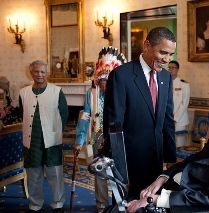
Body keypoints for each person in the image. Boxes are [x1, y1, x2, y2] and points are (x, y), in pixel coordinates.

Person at [103, 27, 177, 198]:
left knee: (150, 204)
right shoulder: (121, 76)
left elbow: (167, 120)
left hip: (156, 159)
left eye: (170, 54)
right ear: (147, 45)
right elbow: (114, 125)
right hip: (130, 162)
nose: (167, 59)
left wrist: (170, 157)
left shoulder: (166, 77)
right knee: (127, 206)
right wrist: (119, 168)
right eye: (163, 53)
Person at [73, 47, 125, 213]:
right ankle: (101, 205)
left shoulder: (122, 93)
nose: (105, 83)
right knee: (100, 172)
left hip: (118, 138)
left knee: (119, 173)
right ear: (97, 79)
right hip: (98, 138)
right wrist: (79, 140)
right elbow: (85, 117)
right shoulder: (91, 94)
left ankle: (119, 203)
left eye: (108, 79)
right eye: (102, 79)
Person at [19, 60, 68, 213]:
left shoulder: (57, 91)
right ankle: (35, 205)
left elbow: (64, 115)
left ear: (47, 73)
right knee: (33, 174)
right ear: (31, 72)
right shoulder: (23, 92)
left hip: (52, 140)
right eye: (36, 71)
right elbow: (22, 114)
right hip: (31, 140)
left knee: (55, 173)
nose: (39, 74)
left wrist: (55, 131)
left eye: (42, 71)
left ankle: (58, 203)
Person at [167, 60, 190, 146]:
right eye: (169, 67)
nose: (170, 69)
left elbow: (184, 103)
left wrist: (175, 118)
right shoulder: (165, 83)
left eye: (173, 68)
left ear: (177, 69)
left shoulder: (184, 84)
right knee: (169, 144)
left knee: (179, 145)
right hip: (167, 118)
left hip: (179, 120)